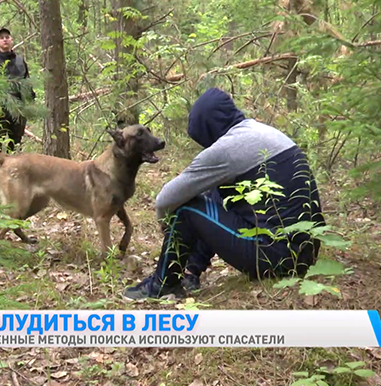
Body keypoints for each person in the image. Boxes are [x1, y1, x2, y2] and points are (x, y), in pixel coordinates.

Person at [123, 87, 326, 300]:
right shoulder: (264, 132)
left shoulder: (228, 148)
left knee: (186, 208)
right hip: (305, 254)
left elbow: (166, 199)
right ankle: (190, 272)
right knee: (215, 189)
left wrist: (166, 224)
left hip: (274, 257)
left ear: (207, 128)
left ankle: (162, 284)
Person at [0, 27, 36, 153]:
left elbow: (26, 80)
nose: (5, 40)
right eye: (1, 38)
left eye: (7, 37)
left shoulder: (20, 60)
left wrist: (30, 101)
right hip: (2, 105)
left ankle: (13, 166)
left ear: (11, 40)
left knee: (16, 139)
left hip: (20, 105)